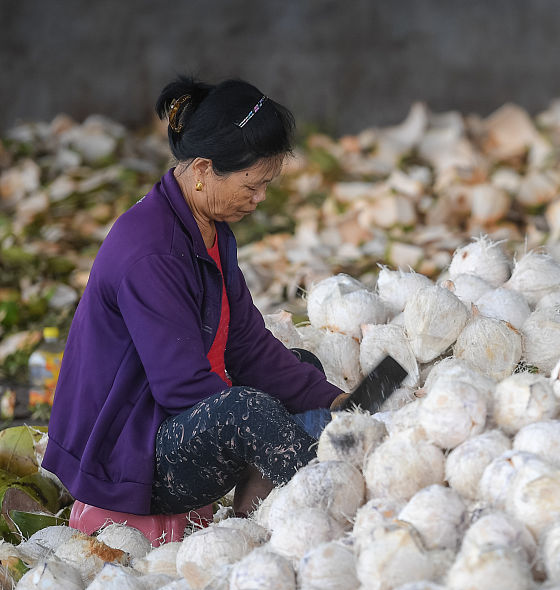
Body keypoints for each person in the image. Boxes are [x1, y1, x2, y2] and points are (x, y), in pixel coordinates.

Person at [43, 76, 348, 520]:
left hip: (161, 419)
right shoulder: (152, 253)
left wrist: (336, 401)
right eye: (252, 185)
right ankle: (333, 497)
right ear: (204, 170)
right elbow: (181, 386)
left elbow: (247, 344)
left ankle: (251, 519)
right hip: (125, 451)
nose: (260, 198)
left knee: (303, 372)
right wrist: (279, 431)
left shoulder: (209, 230)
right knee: (251, 411)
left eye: (267, 184)